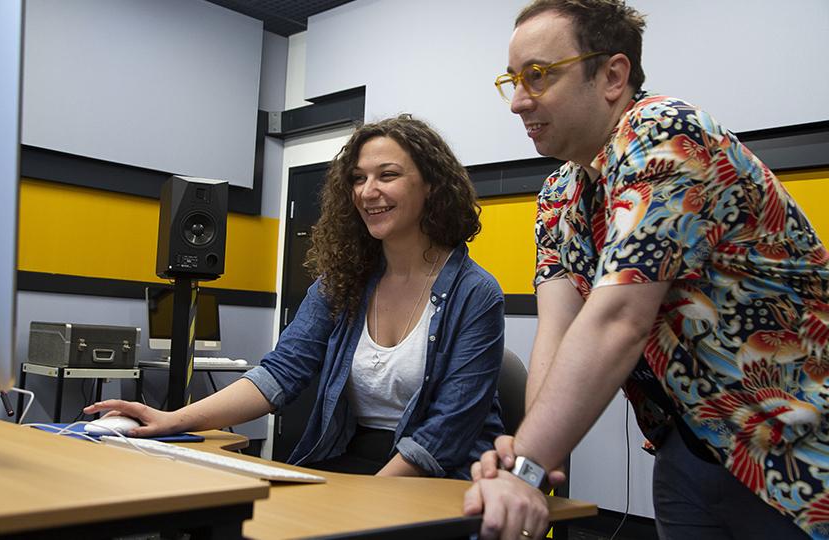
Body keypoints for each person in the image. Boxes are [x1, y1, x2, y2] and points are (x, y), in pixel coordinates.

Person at [464, 0, 829, 538]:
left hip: (794, 449)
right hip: (687, 449)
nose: (518, 101)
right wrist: (528, 458)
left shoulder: (662, 131)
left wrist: (526, 468)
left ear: (613, 75)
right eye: (513, 80)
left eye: (538, 76)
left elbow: (619, 319)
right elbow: (559, 331)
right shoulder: (559, 194)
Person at [86, 115, 506, 479]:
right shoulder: (342, 282)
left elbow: (446, 431)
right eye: (358, 178)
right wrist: (171, 419)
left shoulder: (475, 292)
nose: (367, 191)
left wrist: (374, 498)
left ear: (432, 186)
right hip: (353, 457)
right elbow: (279, 374)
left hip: (441, 473)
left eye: (387, 175)